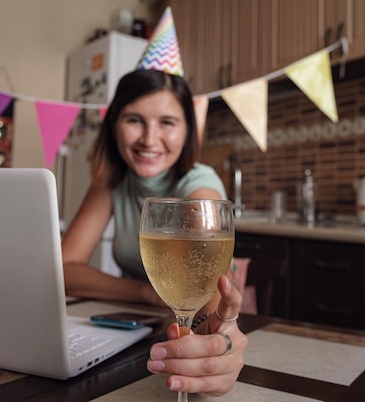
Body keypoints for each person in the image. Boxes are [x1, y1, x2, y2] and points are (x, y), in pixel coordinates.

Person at [61, 69, 247, 396]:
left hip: (169, 336)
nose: (149, 139)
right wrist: (146, 293)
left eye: (167, 122)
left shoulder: (199, 185)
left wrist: (221, 338)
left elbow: (210, 285)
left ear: (187, 130)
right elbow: (64, 268)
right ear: (114, 125)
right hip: (137, 336)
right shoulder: (112, 181)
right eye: (135, 120)